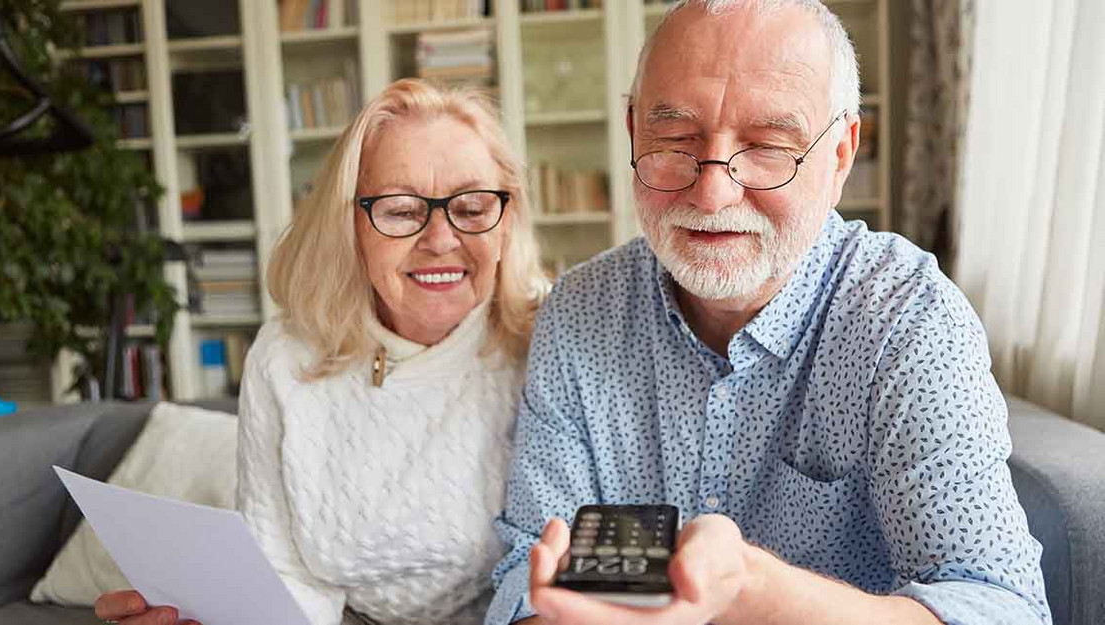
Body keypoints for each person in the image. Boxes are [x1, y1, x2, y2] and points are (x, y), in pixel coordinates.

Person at [485, 1, 1051, 624]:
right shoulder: (578, 314)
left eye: (768, 147)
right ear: (632, 132)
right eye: (675, 139)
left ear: (840, 155)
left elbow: (998, 606)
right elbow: (525, 575)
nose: (713, 191)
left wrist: (751, 590)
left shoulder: (907, 320)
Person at [93, 78, 547, 625]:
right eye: (402, 210)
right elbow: (281, 571)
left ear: (508, 219)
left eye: (472, 208)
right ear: (349, 223)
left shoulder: (550, 341)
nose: (441, 238)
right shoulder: (284, 355)